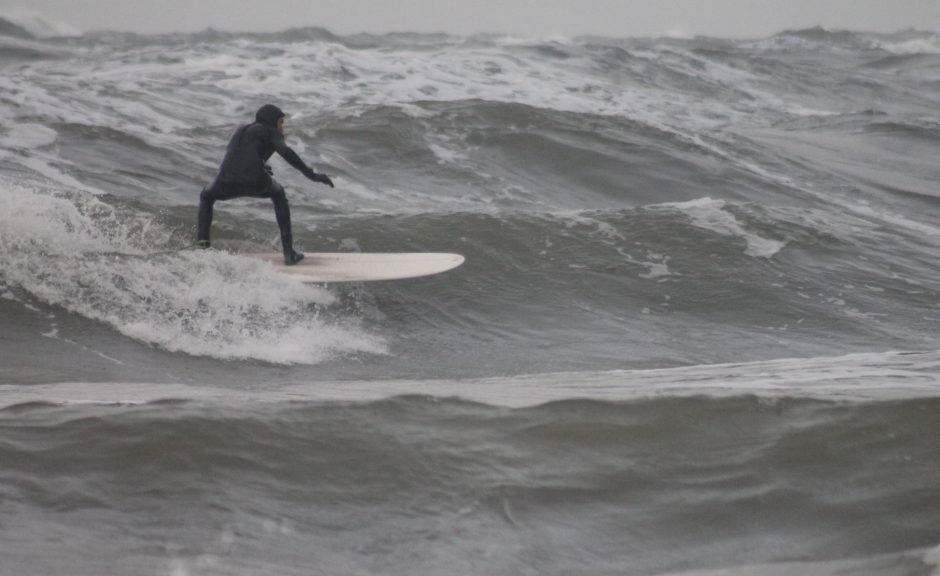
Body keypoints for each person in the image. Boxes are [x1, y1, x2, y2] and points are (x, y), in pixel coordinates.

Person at [196, 104, 334, 265]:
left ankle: (202, 248)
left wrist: (261, 163)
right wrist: (312, 175)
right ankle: (289, 254)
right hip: (255, 180)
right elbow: (286, 152)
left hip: (225, 180)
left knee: (206, 196)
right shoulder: (271, 131)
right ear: (272, 121)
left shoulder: (241, 130)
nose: (282, 128)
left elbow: (240, 154)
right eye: (281, 122)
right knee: (279, 194)